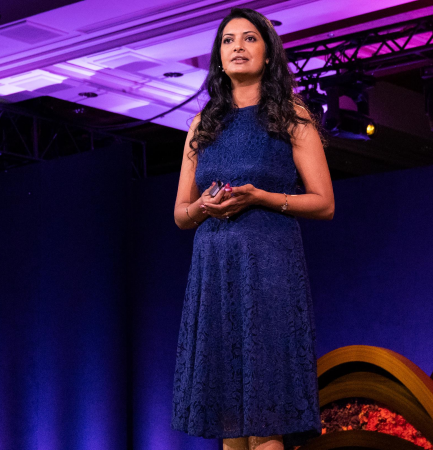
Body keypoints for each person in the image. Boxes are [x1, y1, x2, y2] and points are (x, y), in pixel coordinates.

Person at [171, 8, 334, 450]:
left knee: (265, 422)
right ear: (219, 58)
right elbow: (181, 215)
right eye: (228, 40)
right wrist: (203, 206)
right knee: (229, 427)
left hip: (268, 270)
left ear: (268, 52)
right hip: (214, 271)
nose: (237, 46)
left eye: (248, 38)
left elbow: (324, 203)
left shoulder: (290, 116)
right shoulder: (201, 126)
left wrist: (261, 196)